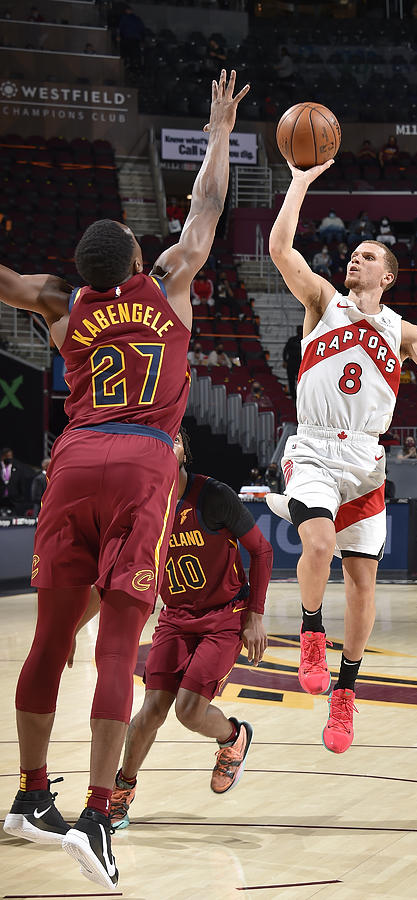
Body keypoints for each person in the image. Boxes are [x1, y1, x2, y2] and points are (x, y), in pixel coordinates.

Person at [1, 70, 249, 891]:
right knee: (117, 641)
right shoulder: (169, 282)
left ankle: (32, 795)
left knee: (50, 638)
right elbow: (207, 208)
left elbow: (4, 278)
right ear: (138, 259)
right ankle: (101, 816)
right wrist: (218, 130)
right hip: (143, 458)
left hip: (70, 459)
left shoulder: (56, 301)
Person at [267, 157, 417, 753]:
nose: (356, 258)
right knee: (317, 543)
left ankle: (345, 694)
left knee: (365, 584)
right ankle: (311, 631)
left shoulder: (401, 331)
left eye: (369, 255)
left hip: (367, 461)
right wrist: (300, 180)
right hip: (315, 448)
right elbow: (280, 248)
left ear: (387, 276)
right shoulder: (322, 302)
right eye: (354, 253)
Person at [102, 429, 271, 828]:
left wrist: (256, 615)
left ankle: (232, 738)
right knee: (150, 711)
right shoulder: (140, 504)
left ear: (183, 449)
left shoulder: (212, 496)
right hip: (175, 618)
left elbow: (261, 549)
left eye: (175, 439)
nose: (167, 446)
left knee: (188, 711)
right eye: (161, 439)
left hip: (223, 617)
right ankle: (122, 788)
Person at [0, 446, 27, 514]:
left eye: (10, 456)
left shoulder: (17, 469)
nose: (9, 458)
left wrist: (20, 499)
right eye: (7, 456)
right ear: (3, 457)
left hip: (14, 501)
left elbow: (22, 485)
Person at [283, 325, 302, 402]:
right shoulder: (293, 340)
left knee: (297, 381)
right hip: (294, 363)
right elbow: (285, 351)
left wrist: (285, 360)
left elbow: (285, 351)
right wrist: (285, 360)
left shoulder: (304, 340)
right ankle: (294, 397)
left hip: (297, 363)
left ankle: (296, 396)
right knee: (295, 381)